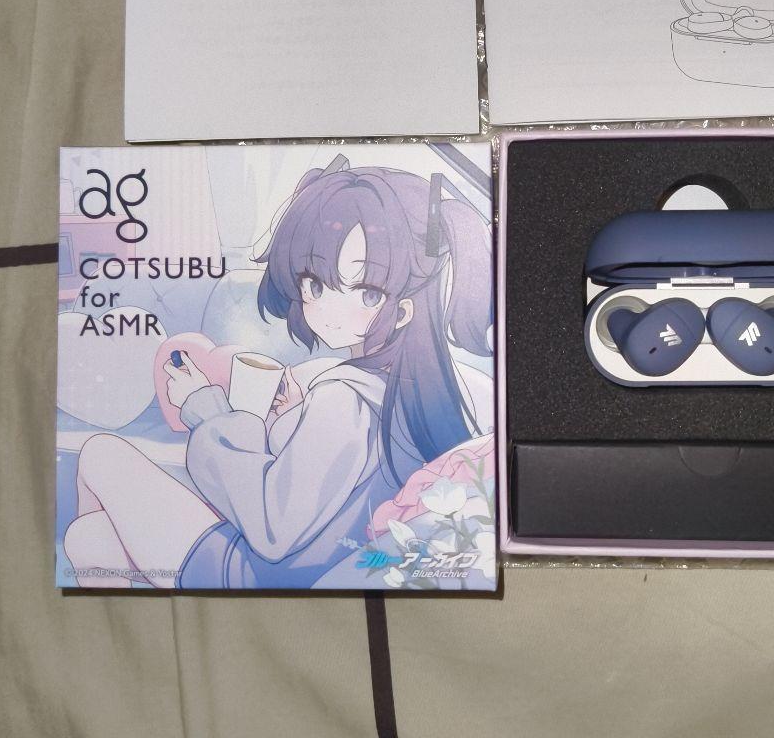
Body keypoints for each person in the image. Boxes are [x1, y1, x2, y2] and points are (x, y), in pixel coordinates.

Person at [64, 162, 492, 589]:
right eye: (316, 284)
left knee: (102, 453)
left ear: (403, 310)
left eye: (366, 293)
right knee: (88, 539)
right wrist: (291, 421)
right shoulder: (423, 393)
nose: (328, 307)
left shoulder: (344, 399)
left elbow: (272, 529)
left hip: (254, 574)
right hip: (325, 563)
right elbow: (338, 486)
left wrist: (207, 412)